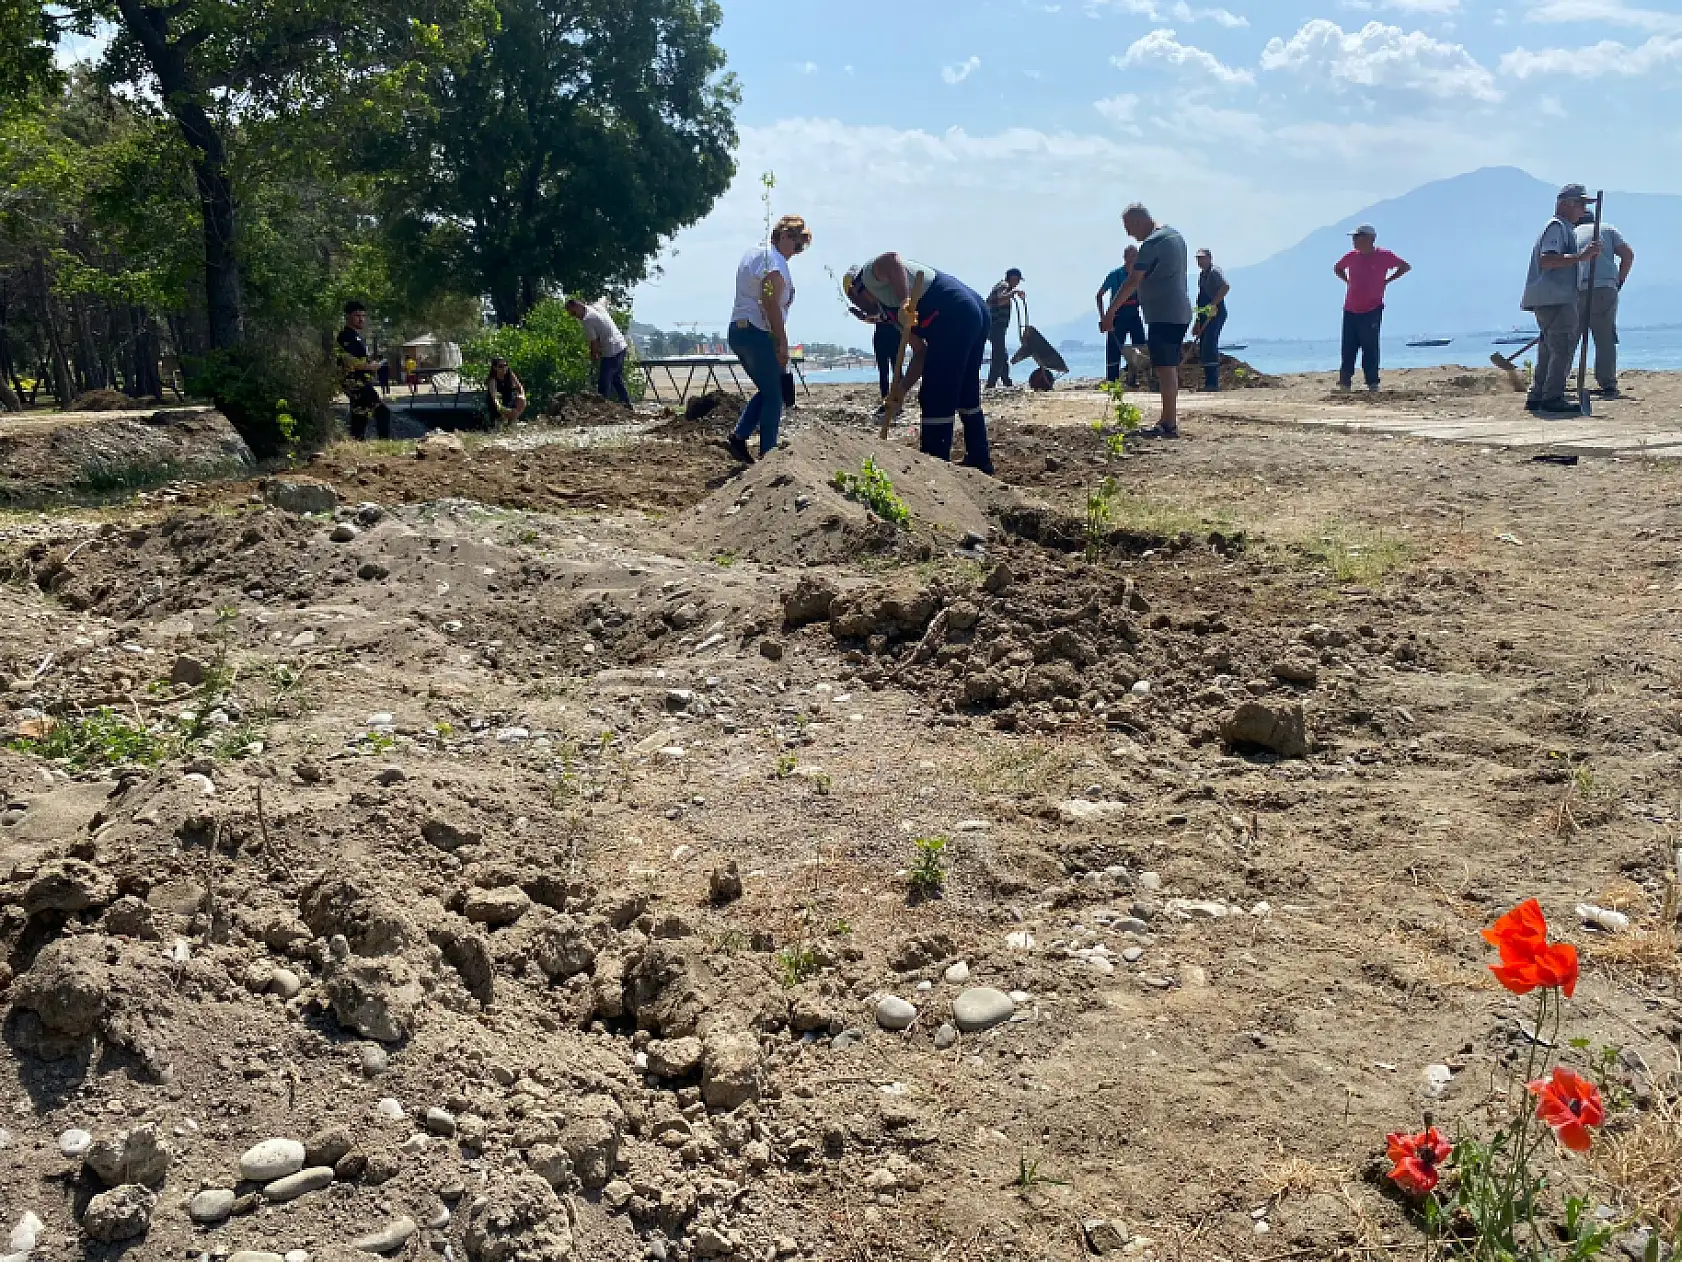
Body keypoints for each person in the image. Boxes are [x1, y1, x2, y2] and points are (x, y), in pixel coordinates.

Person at [844, 253, 993, 474]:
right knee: (965, 392)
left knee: (935, 393)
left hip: (955, 313)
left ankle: (935, 464)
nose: (863, 310)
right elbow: (921, 353)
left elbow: (892, 260)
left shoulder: (869, 276)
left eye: (855, 300)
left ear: (858, 290)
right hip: (972, 312)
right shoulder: (891, 312)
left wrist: (905, 302)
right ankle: (980, 459)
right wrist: (901, 390)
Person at [725, 213, 812, 461]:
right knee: (775, 396)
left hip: (738, 330)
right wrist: (782, 341)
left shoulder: (753, 253)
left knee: (768, 388)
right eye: (797, 244)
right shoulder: (773, 261)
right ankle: (768, 455)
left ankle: (739, 438)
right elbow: (770, 301)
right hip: (757, 332)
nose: (797, 251)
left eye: (801, 247)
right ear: (784, 235)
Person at [1101, 204, 1190, 438]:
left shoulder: (1152, 243)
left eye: (1129, 227)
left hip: (1164, 313)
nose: (1129, 234)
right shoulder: (1175, 235)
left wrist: (1110, 312)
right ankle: (1167, 417)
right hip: (1178, 311)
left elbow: (1133, 281)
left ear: (1139, 221)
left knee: (1165, 369)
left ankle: (1169, 423)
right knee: (1167, 367)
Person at [1520, 183, 1601, 415]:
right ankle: (1552, 397)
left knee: (1549, 348)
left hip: (1552, 297)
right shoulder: (1557, 227)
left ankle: (1538, 395)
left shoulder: (1565, 228)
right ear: (1566, 204)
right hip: (1554, 298)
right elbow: (1548, 260)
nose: (1584, 210)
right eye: (1581, 204)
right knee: (1563, 347)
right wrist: (1582, 256)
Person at [1333, 224, 1410, 393]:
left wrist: (1388, 280)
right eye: (1353, 237)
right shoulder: (1352, 256)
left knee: (1370, 346)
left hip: (1372, 309)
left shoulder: (1384, 255)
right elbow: (1337, 268)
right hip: (1350, 308)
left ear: (1369, 238)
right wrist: (1347, 281)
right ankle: (1345, 382)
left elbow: (1405, 266)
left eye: (1358, 236)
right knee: (1348, 347)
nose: (1354, 240)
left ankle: (1372, 383)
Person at [1575, 209, 1635, 398]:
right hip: (1604, 288)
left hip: (1577, 289)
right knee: (1604, 338)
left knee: (1569, 337)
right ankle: (1607, 383)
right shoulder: (1607, 229)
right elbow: (1628, 255)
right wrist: (1619, 281)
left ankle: (1556, 382)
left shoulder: (1570, 233)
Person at [336, 300, 391, 440]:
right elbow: (348, 360)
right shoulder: (345, 336)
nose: (361, 319)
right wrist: (369, 366)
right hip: (353, 382)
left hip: (361, 380)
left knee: (360, 413)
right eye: (357, 315)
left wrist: (372, 364)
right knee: (382, 411)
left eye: (363, 316)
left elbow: (360, 358)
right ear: (348, 316)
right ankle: (385, 443)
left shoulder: (357, 336)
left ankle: (356, 442)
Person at [565, 298, 631, 406]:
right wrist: (609, 298)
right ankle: (627, 405)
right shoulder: (597, 307)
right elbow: (604, 299)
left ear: (578, 306)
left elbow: (594, 342)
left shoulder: (587, 320)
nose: (574, 316)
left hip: (611, 351)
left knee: (603, 383)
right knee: (616, 379)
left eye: (573, 313)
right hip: (621, 346)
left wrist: (593, 355)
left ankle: (602, 408)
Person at [1096, 246, 1145, 388]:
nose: (1134, 259)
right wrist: (1104, 317)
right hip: (1117, 315)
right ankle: (1112, 381)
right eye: (1131, 256)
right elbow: (1099, 295)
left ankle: (1134, 378)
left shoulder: (1140, 275)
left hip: (1134, 314)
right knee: (1113, 348)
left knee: (1140, 346)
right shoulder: (1115, 274)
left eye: (1136, 255)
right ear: (1125, 258)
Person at [1192, 248, 1229, 393]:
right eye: (1198, 259)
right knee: (1203, 347)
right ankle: (1208, 381)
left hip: (1215, 313)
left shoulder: (1215, 272)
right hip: (1204, 314)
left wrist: (1213, 304)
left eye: (1202, 258)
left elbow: (1225, 287)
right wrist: (1198, 321)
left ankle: (1213, 383)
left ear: (1209, 258)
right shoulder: (1202, 275)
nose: (1200, 261)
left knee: (1210, 344)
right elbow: (1200, 298)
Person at [984, 268, 1023, 389]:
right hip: (994, 326)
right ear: (1012, 278)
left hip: (995, 326)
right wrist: (1014, 293)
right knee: (998, 355)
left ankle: (1006, 381)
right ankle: (991, 384)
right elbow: (1000, 300)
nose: (1017, 283)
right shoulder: (1003, 285)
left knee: (1002, 355)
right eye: (1017, 280)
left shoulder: (1005, 287)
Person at [485, 357, 526, 427]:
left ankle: (512, 420)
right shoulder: (492, 380)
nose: (504, 368)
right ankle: (502, 420)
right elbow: (494, 396)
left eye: (505, 365)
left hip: (508, 400)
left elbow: (519, 386)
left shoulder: (510, 374)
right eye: (500, 366)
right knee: (505, 412)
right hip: (497, 403)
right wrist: (500, 407)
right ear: (495, 368)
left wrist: (522, 395)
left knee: (521, 400)